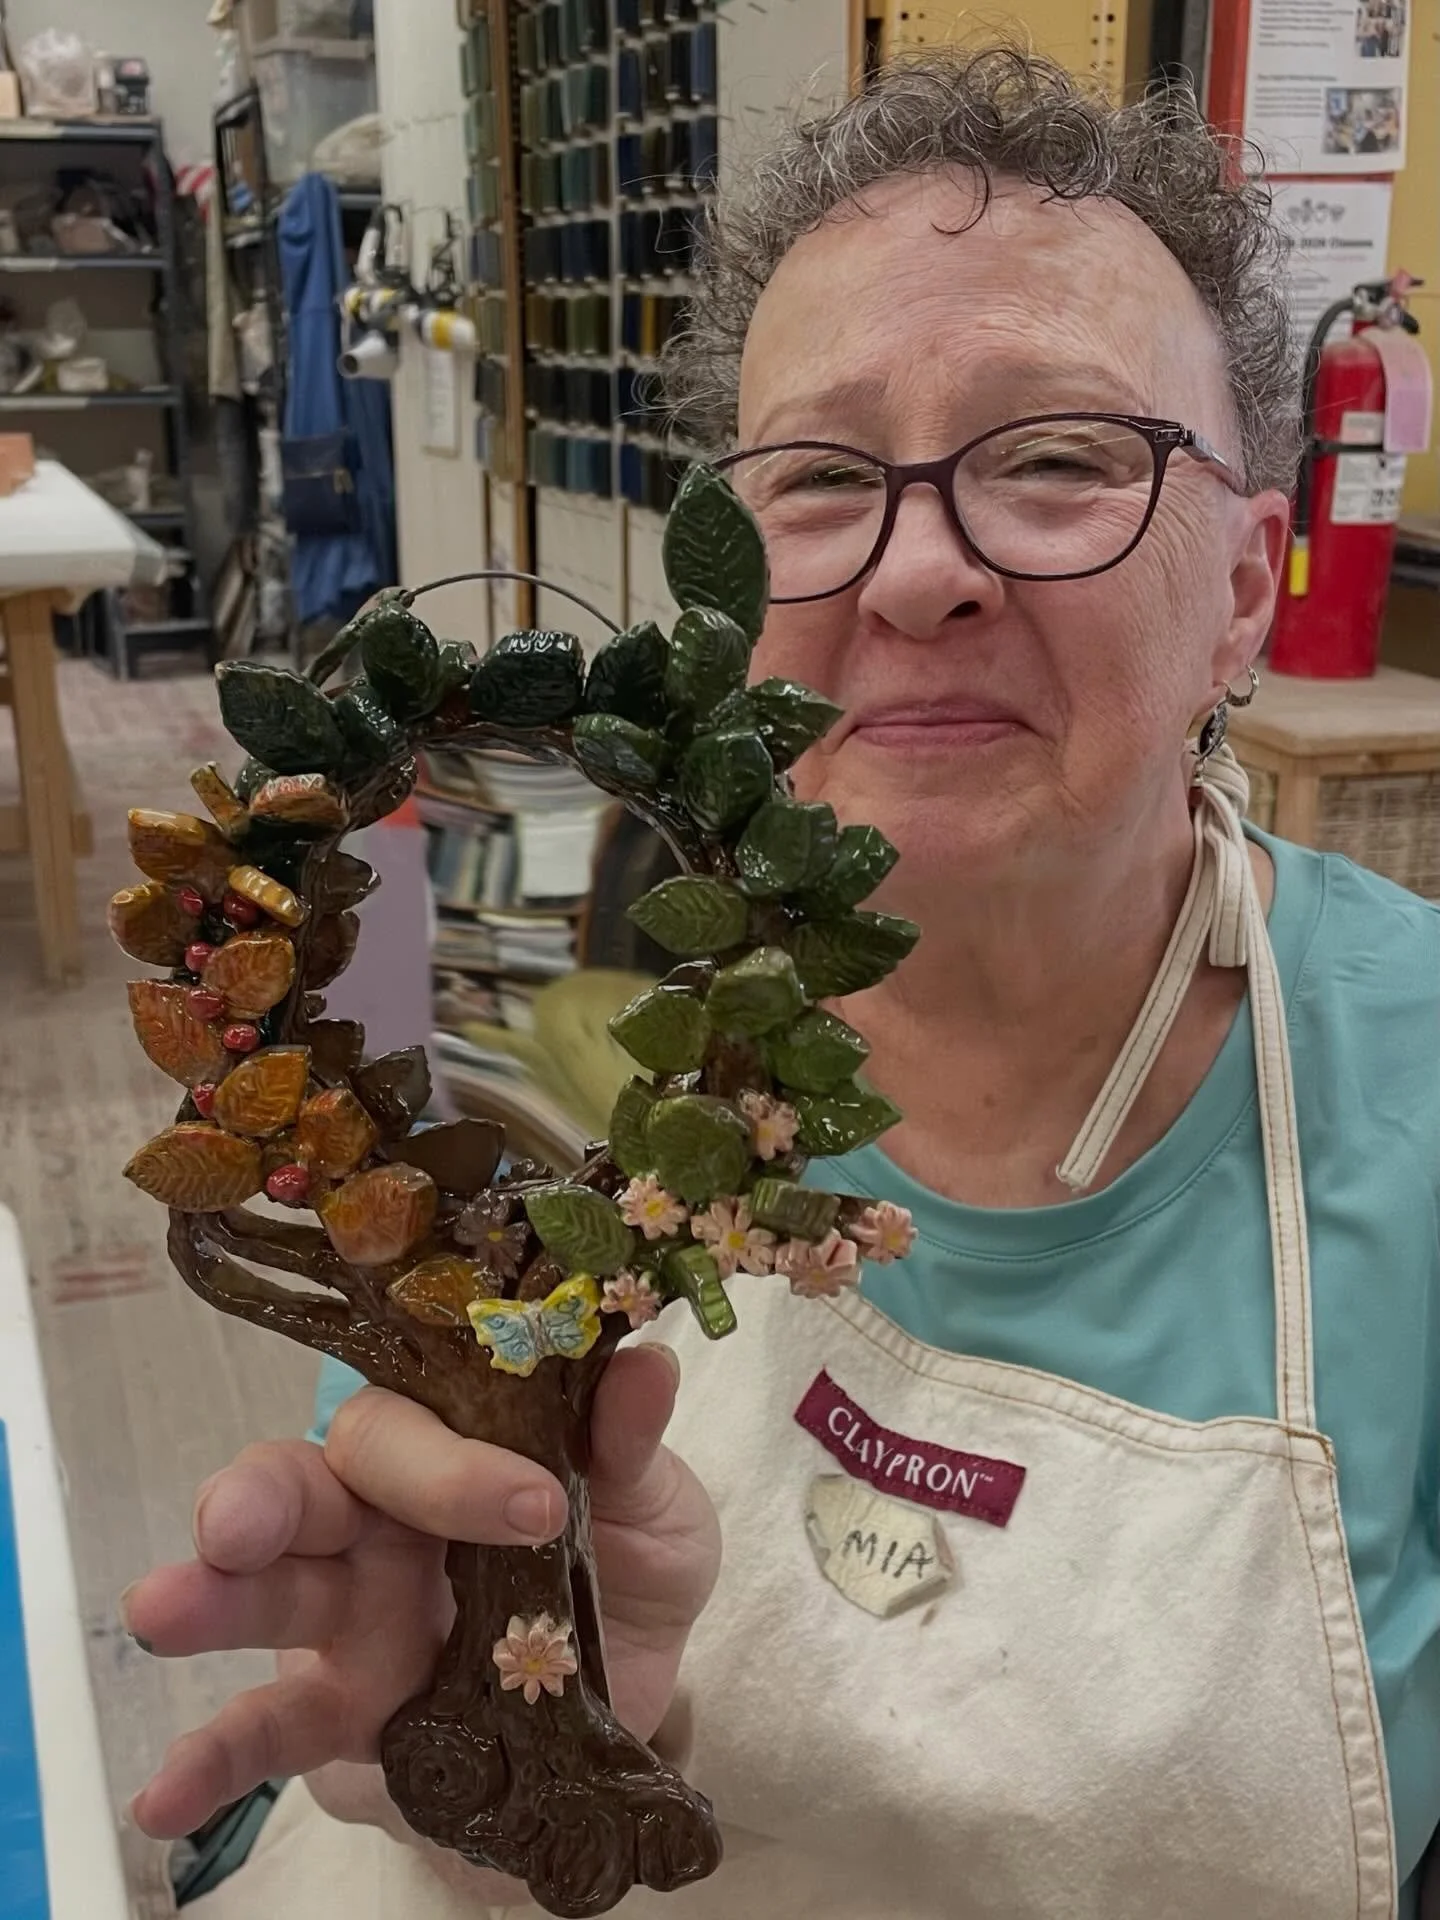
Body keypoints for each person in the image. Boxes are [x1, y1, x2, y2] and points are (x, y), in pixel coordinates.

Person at [121, 46, 1440, 1920]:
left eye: (1057, 458)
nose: (918, 573)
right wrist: (485, 1690)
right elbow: (417, 1444)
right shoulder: (502, 914)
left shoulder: (1416, 1078)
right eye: (821, 480)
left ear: (1245, 583)